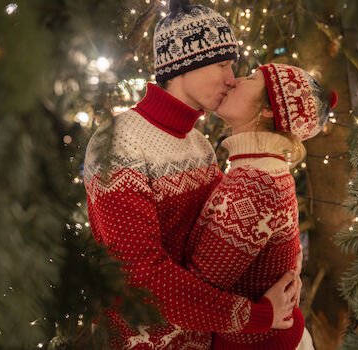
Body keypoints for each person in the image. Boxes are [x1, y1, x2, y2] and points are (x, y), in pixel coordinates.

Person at [83, 1, 302, 349]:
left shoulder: (199, 144)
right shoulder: (120, 141)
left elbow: (224, 242)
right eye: (222, 64)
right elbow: (139, 276)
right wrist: (257, 315)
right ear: (184, 64)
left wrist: (285, 272)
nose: (231, 79)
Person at [186, 63, 337, 349]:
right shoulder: (263, 170)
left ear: (269, 109)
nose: (234, 81)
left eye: (251, 78)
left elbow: (199, 294)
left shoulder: (255, 183)